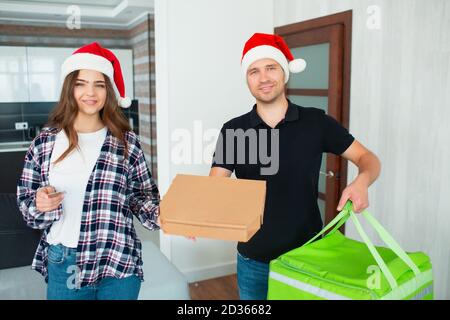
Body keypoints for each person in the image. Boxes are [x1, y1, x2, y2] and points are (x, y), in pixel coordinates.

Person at [209, 33, 381, 300]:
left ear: (284, 72)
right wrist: (194, 214)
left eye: (271, 68)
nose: (263, 78)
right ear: (247, 79)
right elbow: (214, 186)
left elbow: (368, 159)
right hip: (253, 260)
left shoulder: (316, 122)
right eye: (254, 71)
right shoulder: (234, 130)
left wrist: (362, 181)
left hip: (307, 257)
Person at [17, 42, 160, 300]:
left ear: (109, 91)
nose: (90, 92)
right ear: (70, 87)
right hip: (66, 262)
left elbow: (142, 198)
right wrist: (40, 204)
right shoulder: (45, 142)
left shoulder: (126, 142)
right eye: (81, 83)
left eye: (99, 84)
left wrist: (165, 216)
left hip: (118, 262)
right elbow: (26, 205)